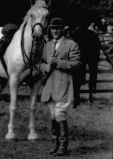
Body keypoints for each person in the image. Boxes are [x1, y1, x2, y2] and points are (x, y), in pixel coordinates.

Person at [40, 18, 81, 156]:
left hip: (64, 85)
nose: (55, 31)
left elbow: (76, 64)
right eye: (52, 28)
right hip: (50, 86)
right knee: (53, 115)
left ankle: (64, 145)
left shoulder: (71, 44)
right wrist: (43, 67)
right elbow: (40, 63)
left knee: (60, 114)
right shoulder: (47, 45)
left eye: (57, 28)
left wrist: (58, 62)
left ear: (63, 29)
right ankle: (55, 144)